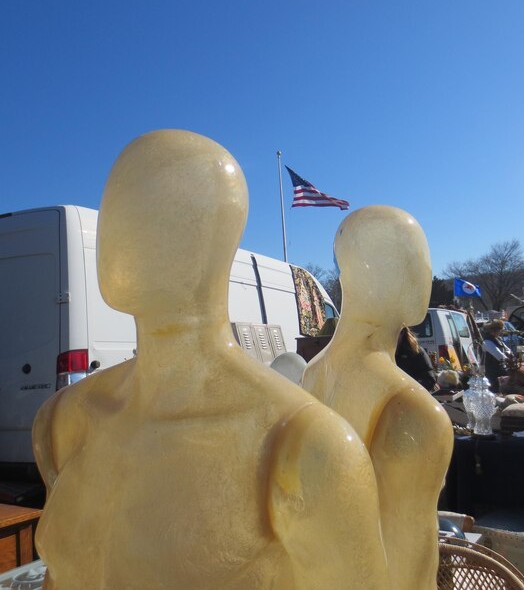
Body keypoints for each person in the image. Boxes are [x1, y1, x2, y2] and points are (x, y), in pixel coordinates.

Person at [32, 130, 389, 590]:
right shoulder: (63, 422)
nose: (121, 227)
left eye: (167, 209)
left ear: (220, 235)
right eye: (119, 205)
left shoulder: (305, 448)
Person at [303, 205, 453, 590]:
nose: (429, 276)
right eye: (422, 262)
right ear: (405, 274)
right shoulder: (416, 412)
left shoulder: (311, 373)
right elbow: (411, 569)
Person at [395, 326, 439, 392]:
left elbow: (429, 380)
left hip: (413, 395)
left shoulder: (415, 350)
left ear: (402, 333)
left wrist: (409, 387)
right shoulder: (387, 352)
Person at [481, 319, 513, 393]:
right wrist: (508, 359)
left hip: (501, 370)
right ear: (496, 330)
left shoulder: (498, 340)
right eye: (501, 329)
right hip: (493, 373)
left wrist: (510, 355)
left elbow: (508, 350)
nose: (503, 330)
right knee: (496, 392)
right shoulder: (487, 342)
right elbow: (499, 356)